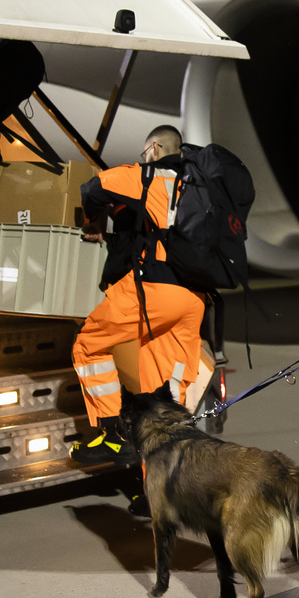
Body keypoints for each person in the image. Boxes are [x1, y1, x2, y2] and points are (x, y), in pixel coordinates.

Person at [70, 124, 204, 475]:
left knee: (88, 345)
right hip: (195, 298)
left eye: (146, 153)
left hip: (157, 290)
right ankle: (164, 487)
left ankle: (111, 434)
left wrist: (93, 220)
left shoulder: (153, 176)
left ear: (155, 149)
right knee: (167, 391)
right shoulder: (203, 185)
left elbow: (93, 188)